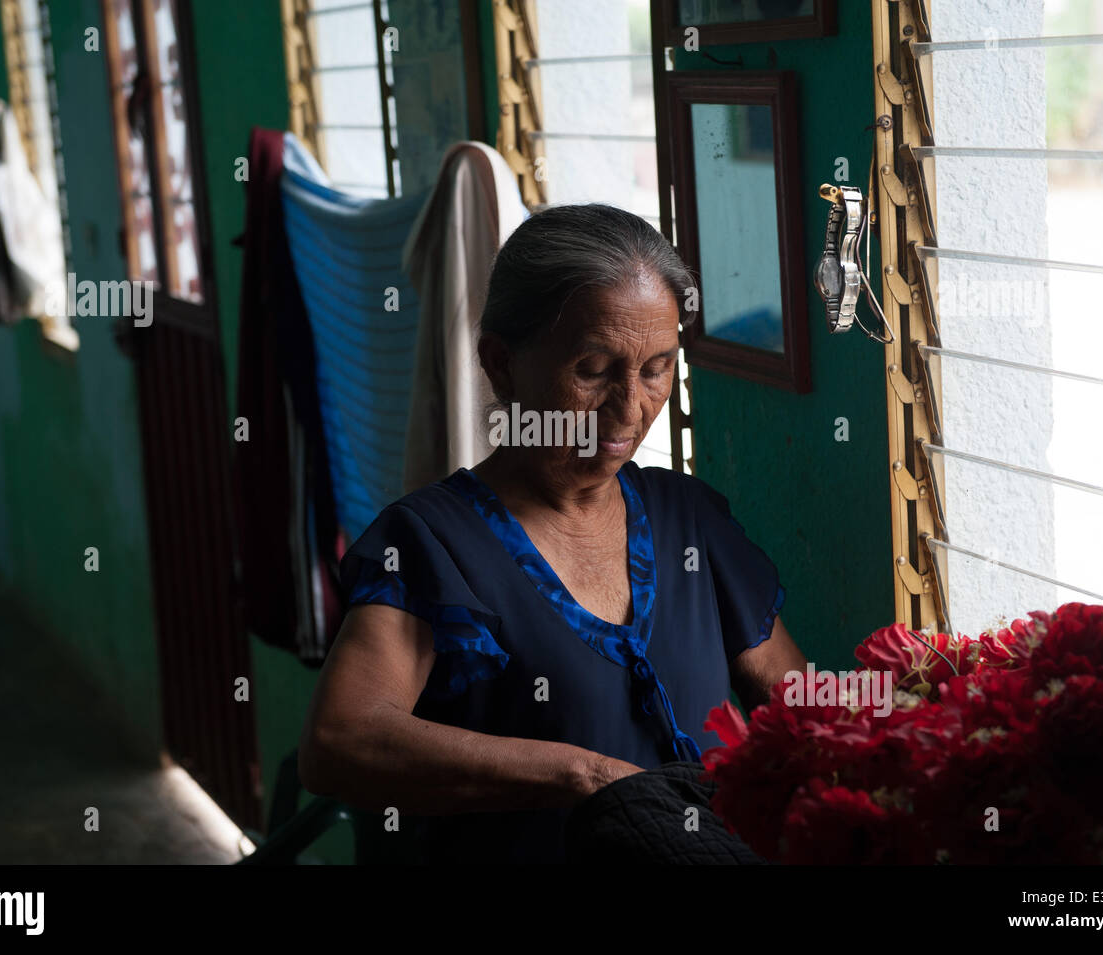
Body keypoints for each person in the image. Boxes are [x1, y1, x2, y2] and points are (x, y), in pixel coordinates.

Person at [298, 203, 807, 863]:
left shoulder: (690, 520)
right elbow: (340, 741)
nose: (631, 408)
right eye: (593, 370)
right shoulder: (432, 544)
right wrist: (588, 777)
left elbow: (800, 709)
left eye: (657, 367)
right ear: (500, 363)